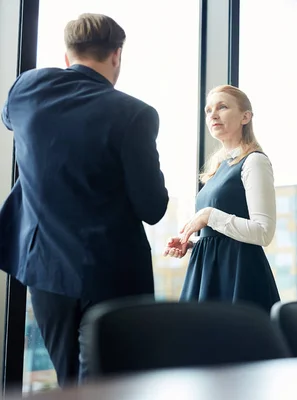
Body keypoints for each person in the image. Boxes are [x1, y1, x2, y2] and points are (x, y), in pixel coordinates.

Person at [0, 14, 168, 386]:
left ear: (67, 55)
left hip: (45, 269)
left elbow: (11, 121)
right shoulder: (134, 114)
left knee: (68, 380)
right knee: (114, 383)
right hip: (111, 273)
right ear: (117, 56)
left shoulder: (26, 90)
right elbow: (152, 208)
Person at [164, 85, 280, 313]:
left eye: (222, 107)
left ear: (245, 116)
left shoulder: (254, 162)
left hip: (238, 276)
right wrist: (193, 243)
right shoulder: (219, 168)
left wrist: (209, 215)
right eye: (208, 110)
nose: (213, 115)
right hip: (207, 271)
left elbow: (263, 233)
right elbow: (222, 234)